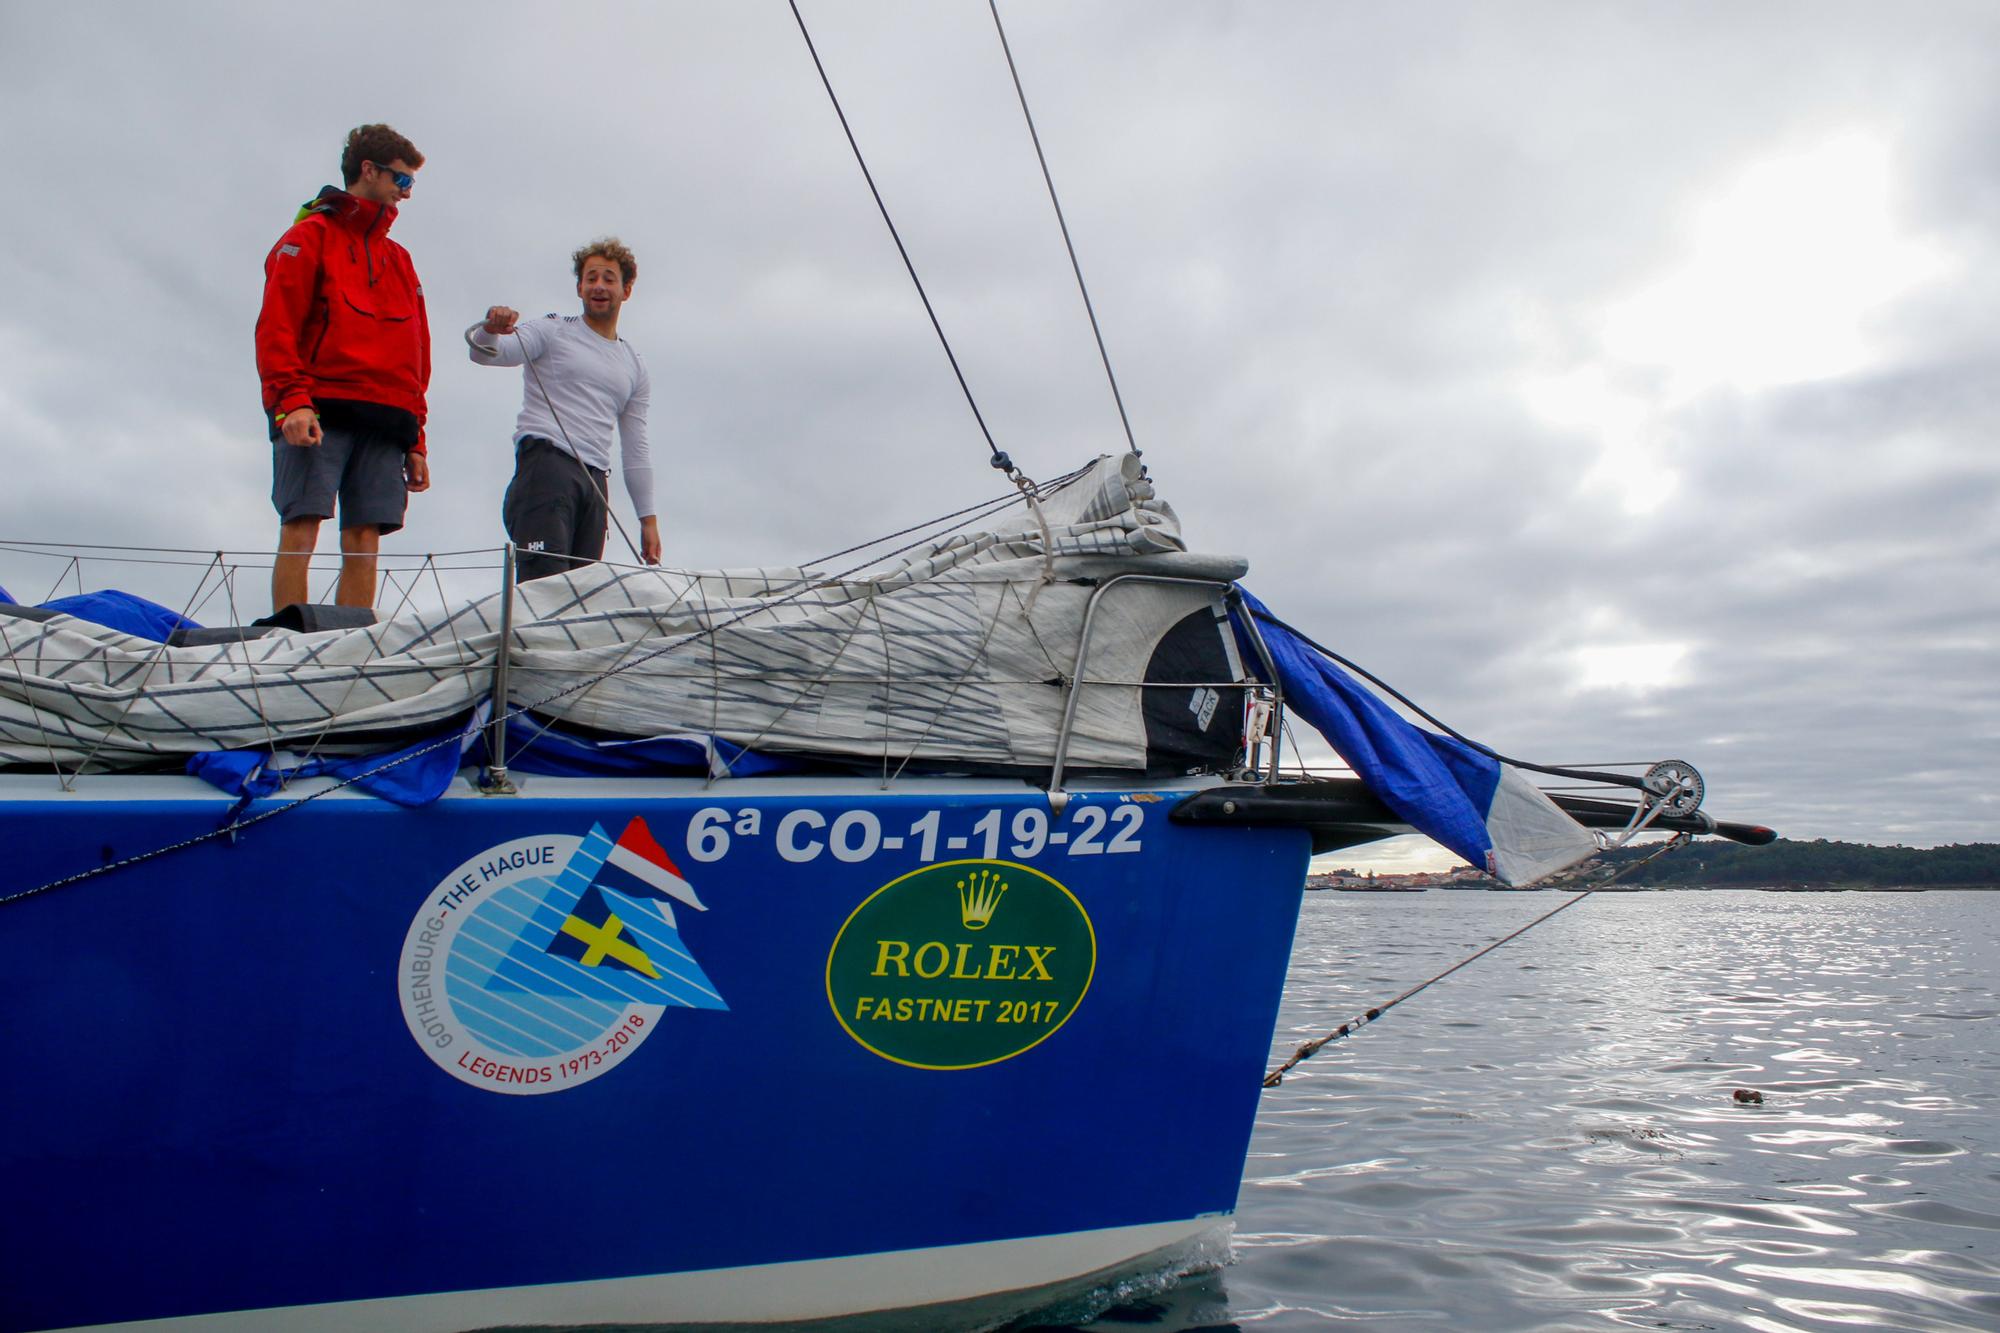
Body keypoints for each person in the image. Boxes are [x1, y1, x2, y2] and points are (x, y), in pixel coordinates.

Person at [255, 123, 431, 613]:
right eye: (400, 181)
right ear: (368, 171)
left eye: (411, 184)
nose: (406, 194)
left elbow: (418, 354)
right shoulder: (307, 237)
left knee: (365, 536)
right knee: (302, 524)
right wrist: (291, 403)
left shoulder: (401, 260)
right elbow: (276, 329)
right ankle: (288, 643)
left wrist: (415, 439)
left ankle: (352, 648)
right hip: (318, 409)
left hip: (387, 418)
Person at [467, 237, 660, 582]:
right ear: (579, 287)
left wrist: (648, 519)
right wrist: (491, 330)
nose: (598, 286)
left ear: (626, 290)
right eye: (591, 278)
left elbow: (636, 447)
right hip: (547, 467)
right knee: (543, 585)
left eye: (609, 279)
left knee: (579, 597)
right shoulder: (552, 330)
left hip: (595, 482)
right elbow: (486, 354)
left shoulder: (634, 365)